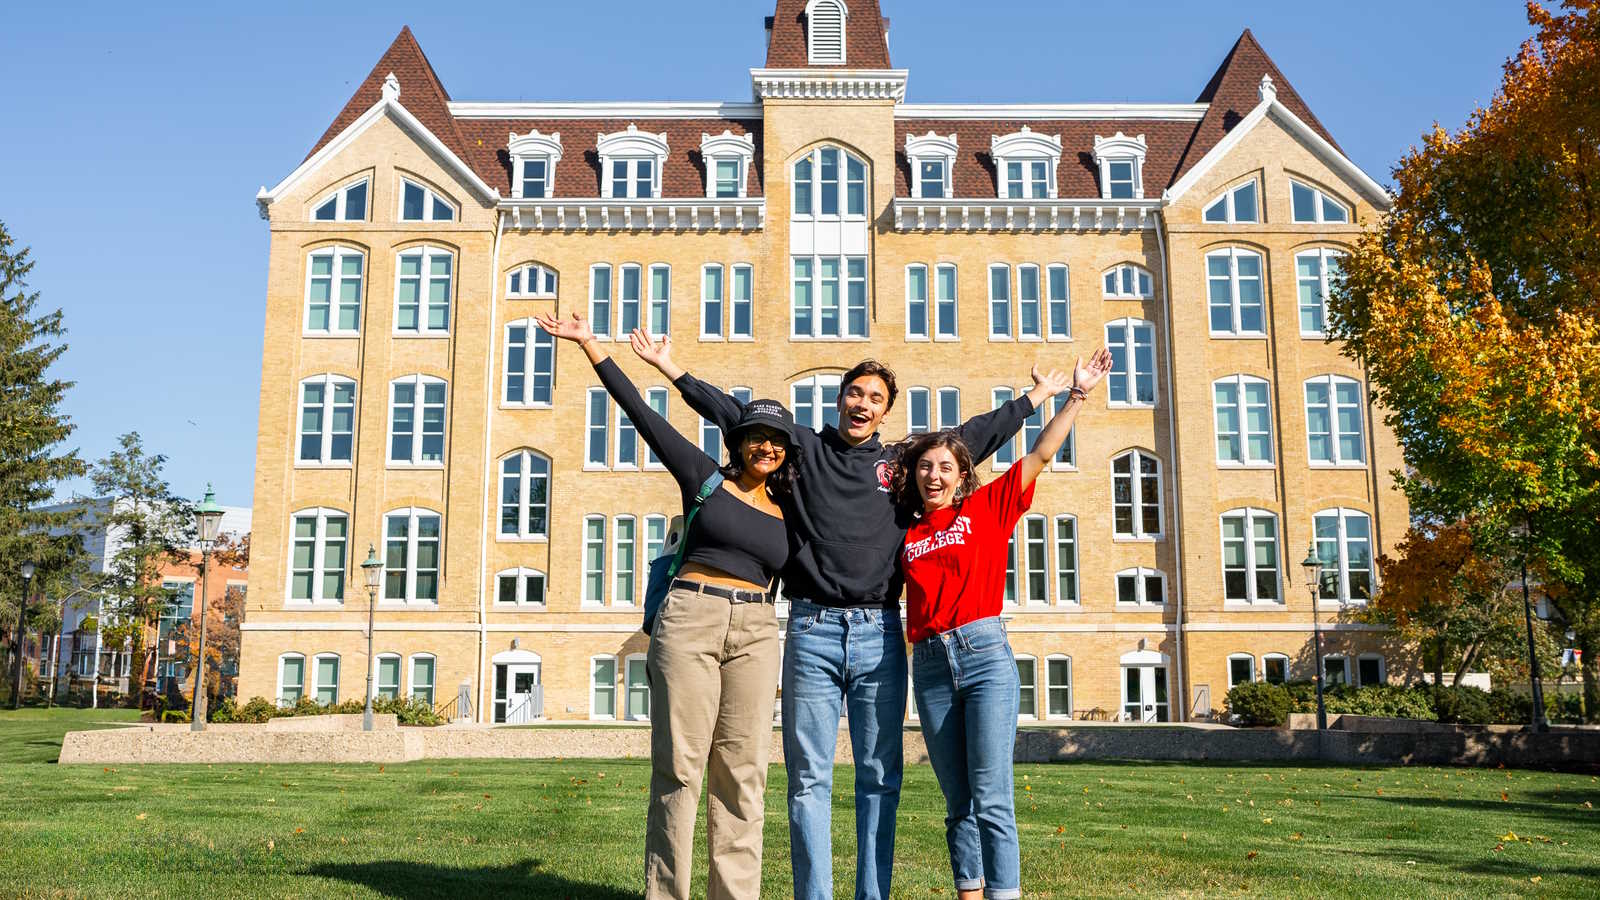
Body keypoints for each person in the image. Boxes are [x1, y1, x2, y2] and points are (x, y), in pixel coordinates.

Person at [633, 330, 1070, 900]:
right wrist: (673, 370)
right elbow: (735, 415)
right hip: (810, 631)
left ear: (885, 412)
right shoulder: (805, 449)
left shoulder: (901, 465)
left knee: (879, 780)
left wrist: (1033, 400)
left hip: (879, 634)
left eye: (875, 398)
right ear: (840, 400)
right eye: (854, 393)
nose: (862, 404)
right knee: (807, 781)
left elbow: (972, 438)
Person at [536, 313, 796, 900]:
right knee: (681, 769)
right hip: (693, 618)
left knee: (744, 777)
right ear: (738, 438)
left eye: (778, 440)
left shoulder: (791, 512)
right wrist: (592, 347)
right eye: (757, 434)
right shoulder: (703, 476)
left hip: (757, 629)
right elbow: (642, 417)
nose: (766, 446)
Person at [891, 347, 1113, 900]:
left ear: (963, 474)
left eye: (945, 466)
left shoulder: (988, 506)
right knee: (957, 800)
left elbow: (1041, 452)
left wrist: (1076, 395)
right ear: (914, 476)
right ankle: (969, 891)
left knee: (991, 796)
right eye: (925, 466)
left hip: (986, 655)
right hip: (933, 667)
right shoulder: (907, 534)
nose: (934, 474)